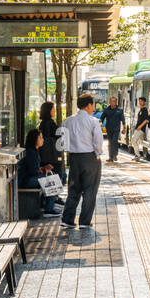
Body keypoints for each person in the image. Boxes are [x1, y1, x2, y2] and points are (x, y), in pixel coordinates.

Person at [61, 93, 104, 230]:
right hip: (90, 158)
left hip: (74, 158)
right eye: (92, 105)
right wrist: (97, 153)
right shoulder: (93, 121)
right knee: (90, 190)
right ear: (89, 105)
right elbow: (98, 141)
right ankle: (84, 221)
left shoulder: (67, 121)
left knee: (73, 189)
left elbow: (63, 141)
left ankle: (67, 219)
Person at [20, 129, 59, 217]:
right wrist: (44, 170)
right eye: (40, 137)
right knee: (50, 178)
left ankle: (52, 202)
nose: (43, 139)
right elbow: (33, 171)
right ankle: (49, 208)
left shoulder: (33, 150)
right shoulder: (31, 152)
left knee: (51, 175)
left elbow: (34, 169)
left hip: (28, 179)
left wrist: (43, 169)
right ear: (35, 139)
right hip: (26, 181)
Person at [37, 101, 65, 185]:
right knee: (55, 177)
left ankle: (54, 197)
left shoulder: (43, 123)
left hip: (45, 156)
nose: (54, 111)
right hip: (52, 157)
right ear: (48, 110)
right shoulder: (50, 123)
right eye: (53, 109)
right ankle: (54, 198)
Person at [102, 96, 125, 164]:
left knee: (114, 141)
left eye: (114, 101)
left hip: (116, 129)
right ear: (109, 102)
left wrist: (124, 128)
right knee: (110, 142)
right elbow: (102, 118)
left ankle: (115, 155)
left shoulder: (119, 110)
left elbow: (123, 119)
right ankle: (110, 157)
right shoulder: (106, 110)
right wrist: (100, 123)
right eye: (111, 101)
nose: (112, 102)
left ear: (116, 102)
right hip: (109, 129)